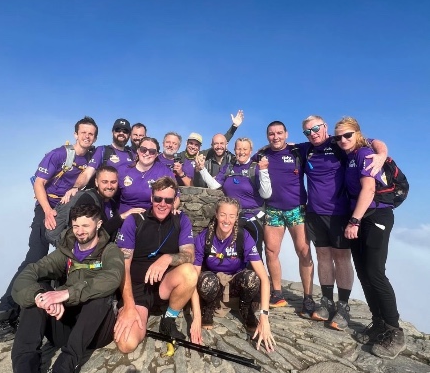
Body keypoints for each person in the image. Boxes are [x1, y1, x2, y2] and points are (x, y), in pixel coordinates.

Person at [0, 204, 124, 373]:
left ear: (99, 224)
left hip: (96, 330)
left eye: (86, 225)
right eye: (76, 226)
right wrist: (41, 297)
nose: (80, 231)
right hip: (66, 326)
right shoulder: (65, 252)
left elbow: (112, 277)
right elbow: (28, 273)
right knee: (39, 292)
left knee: (100, 297)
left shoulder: (109, 251)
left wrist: (66, 294)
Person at [0, 116, 99, 342]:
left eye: (91, 134)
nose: (87, 136)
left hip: (67, 211)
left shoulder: (92, 158)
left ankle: (37, 308)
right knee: (35, 257)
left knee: (61, 259)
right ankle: (2, 312)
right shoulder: (59, 154)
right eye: (83, 132)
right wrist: (47, 211)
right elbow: (39, 183)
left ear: (95, 137)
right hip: (47, 208)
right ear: (75, 134)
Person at [301, 115, 388, 330]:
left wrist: (382, 154)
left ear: (325, 127)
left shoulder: (339, 142)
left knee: (341, 258)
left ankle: (343, 305)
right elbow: (283, 146)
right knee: (323, 256)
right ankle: (326, 301)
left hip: (340, 213)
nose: (313, 134)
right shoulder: (307, 149)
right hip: (314, 213)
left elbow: (372, 141)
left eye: (316, 128)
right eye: (308, 131)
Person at [334, 117, 405, 359]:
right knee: (364, 273)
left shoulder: (364, 154)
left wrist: (353, 221)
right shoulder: (350, 153)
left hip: (376, 216)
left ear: (357, 133)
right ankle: (378, 323)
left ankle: (395, 331)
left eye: (347, 135)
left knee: (375, 272)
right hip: (361, 217)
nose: (343, 140)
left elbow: (369, 189)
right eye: (339, 136)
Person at [114, 176, 200, 352]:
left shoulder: (181, 220)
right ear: (151, 198)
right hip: (138, 288)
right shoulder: (135, 221)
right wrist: (129, 306)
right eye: (158, 199)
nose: (162, 204)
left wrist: (167, 258)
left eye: (168, 200)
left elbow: (190, 255)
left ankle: (168, 320)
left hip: (164, 285)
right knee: (126, 343)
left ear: (174, 201)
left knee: (190, 272)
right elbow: (124, 266)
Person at [193, 197, 275, 352]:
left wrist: (264, 316)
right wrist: (196, 317)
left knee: (252, 278)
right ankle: (209, 307)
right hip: (213, 280)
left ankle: (245, 307)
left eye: (231, 216)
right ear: (216, 214)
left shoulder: (244, 237)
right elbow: (193, 276)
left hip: (236, 281)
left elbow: (264, 278)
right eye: (223, 215)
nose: (227, 220)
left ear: (237, 217)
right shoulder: (204, 237)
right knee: (206, 281)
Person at [260, 121, 314, 316]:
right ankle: (277, 293)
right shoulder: (262, 154)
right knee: (271, 251)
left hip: (296, 209)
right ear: (267, 136)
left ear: (286, 134)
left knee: (304, 251)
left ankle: (308, 298)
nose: (276, 137)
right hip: (273, 209)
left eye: (279, 133)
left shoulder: (297, 151)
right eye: (271, 134)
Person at [196, 137, 271, 256]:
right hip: (232, 216)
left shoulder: (256, 168)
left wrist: (263, 171)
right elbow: (215, 185)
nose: (241, 152)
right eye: (238, 149)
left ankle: (254, 268)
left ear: (250, 151)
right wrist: (202, 169)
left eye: (245, 149)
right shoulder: (229, 167)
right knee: (228, 250)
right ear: (234, 150)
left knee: (253, 253)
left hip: (253, 216)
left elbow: (266, 194)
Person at [61, 118, 133, 200]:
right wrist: (76, 187)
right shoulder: (102, 150)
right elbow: (88, 173)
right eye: (118, 130)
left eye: (125, 131)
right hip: (106, 199)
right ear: (112, 132)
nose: (121, 133)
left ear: (129, 135)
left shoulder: (133, 154)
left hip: (126, 200)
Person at [177, 110, 244, 184]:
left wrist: (234, 127)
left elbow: (220, 143)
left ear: (200, 147)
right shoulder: (179, 156)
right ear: (186, 143)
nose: (193, 147)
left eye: (196, 145)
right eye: (191, 143)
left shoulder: (203, 155)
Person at [118, 137, 178, 213]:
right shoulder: (122, 170)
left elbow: (176, 197)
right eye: (143, 150)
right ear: (138, 150)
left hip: (152, 216)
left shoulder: (164, 171)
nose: (147, 153)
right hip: (126, 215)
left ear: (156, 154)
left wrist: (166, 213)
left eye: (152, 151)